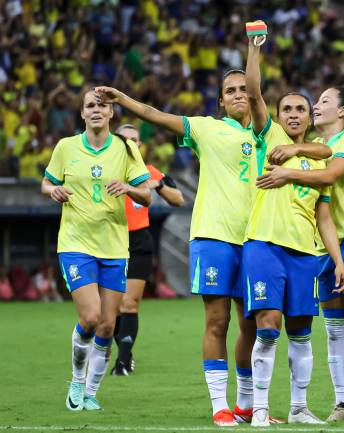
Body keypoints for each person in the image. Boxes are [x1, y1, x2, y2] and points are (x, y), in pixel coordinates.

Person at [96, 73, 263, 426]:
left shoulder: (267, 133)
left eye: (243, 90)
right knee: (218, 322)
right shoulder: (205, 128)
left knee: (253, 325)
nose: (237, 95)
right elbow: (154, 114)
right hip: (214, 237)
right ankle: (220, 405)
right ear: (220, 101)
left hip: (257, 239)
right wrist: (122, 99)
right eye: (229, 90)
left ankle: (248, 406)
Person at [256, 86, 344, 422]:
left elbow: (328, 176)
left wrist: (287, 173)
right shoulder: (316, 146)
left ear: (343, 111)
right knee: (334, 328)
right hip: (322, 245)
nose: (315, 106)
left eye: (324, 101)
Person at [242, 26, 344, 427]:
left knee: (301, 331)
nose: (293, 115)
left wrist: (335, 260)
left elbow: (324, 215)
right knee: (268, 327)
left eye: (301, 109)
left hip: (306, 253)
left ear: (309, 117)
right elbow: (253, 92)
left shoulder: (318, 159)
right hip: (265, 245)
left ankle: (299, 407)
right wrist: (255, 47)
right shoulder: (269, 137)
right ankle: (262, 411)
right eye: (286, 109)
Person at [42, 89, 151, 411]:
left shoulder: (126, 149)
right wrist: (53, 190)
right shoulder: (66, 147)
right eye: (90, 105)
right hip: (76, 243)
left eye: (102, 106)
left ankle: (90, 392)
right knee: (89, 318)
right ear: (82, 113)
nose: (96, 111)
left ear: (111, 114)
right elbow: (46, 182)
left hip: (115, 245)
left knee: (107, 324)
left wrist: (129, 188)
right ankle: (76, 380)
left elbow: (146, 195)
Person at [111, 123, 184, 376]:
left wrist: (158, 185)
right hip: (109, 240)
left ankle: (122, 361)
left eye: (135, 140)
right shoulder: (106, 171)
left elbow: (179, 199)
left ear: (140, 145)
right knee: (110, 308)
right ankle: (121, 352)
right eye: (125, 139)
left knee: (129, 303)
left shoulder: (148, 171)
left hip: (139, 241)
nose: (131, 144)